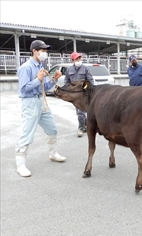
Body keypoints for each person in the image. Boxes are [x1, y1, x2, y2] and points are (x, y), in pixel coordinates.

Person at [15, 40, 66, 177]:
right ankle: (20, 165)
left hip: (41, 100)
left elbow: (45, 87)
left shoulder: (40, 66)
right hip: (30, 102)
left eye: (45, 50)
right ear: (34, 51)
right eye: (42, 50)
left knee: (52, 128)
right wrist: (38, 79)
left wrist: (53, 79)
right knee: (27, 133)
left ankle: (53, 153)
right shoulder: (26, 67)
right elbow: (23, 89)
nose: (45, 53)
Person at [64, 52, 94, 137]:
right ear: (72, 60)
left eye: (79, 58)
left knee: (81, 111)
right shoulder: (69, 70)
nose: (78, 60)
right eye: (76, 59)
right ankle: (85, 126)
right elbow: (67, 81)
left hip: (83, 93)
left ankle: (81, 127)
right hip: (74, 94)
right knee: (79, 111)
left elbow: (90, 80)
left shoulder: (85, 68)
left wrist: (86, 89)